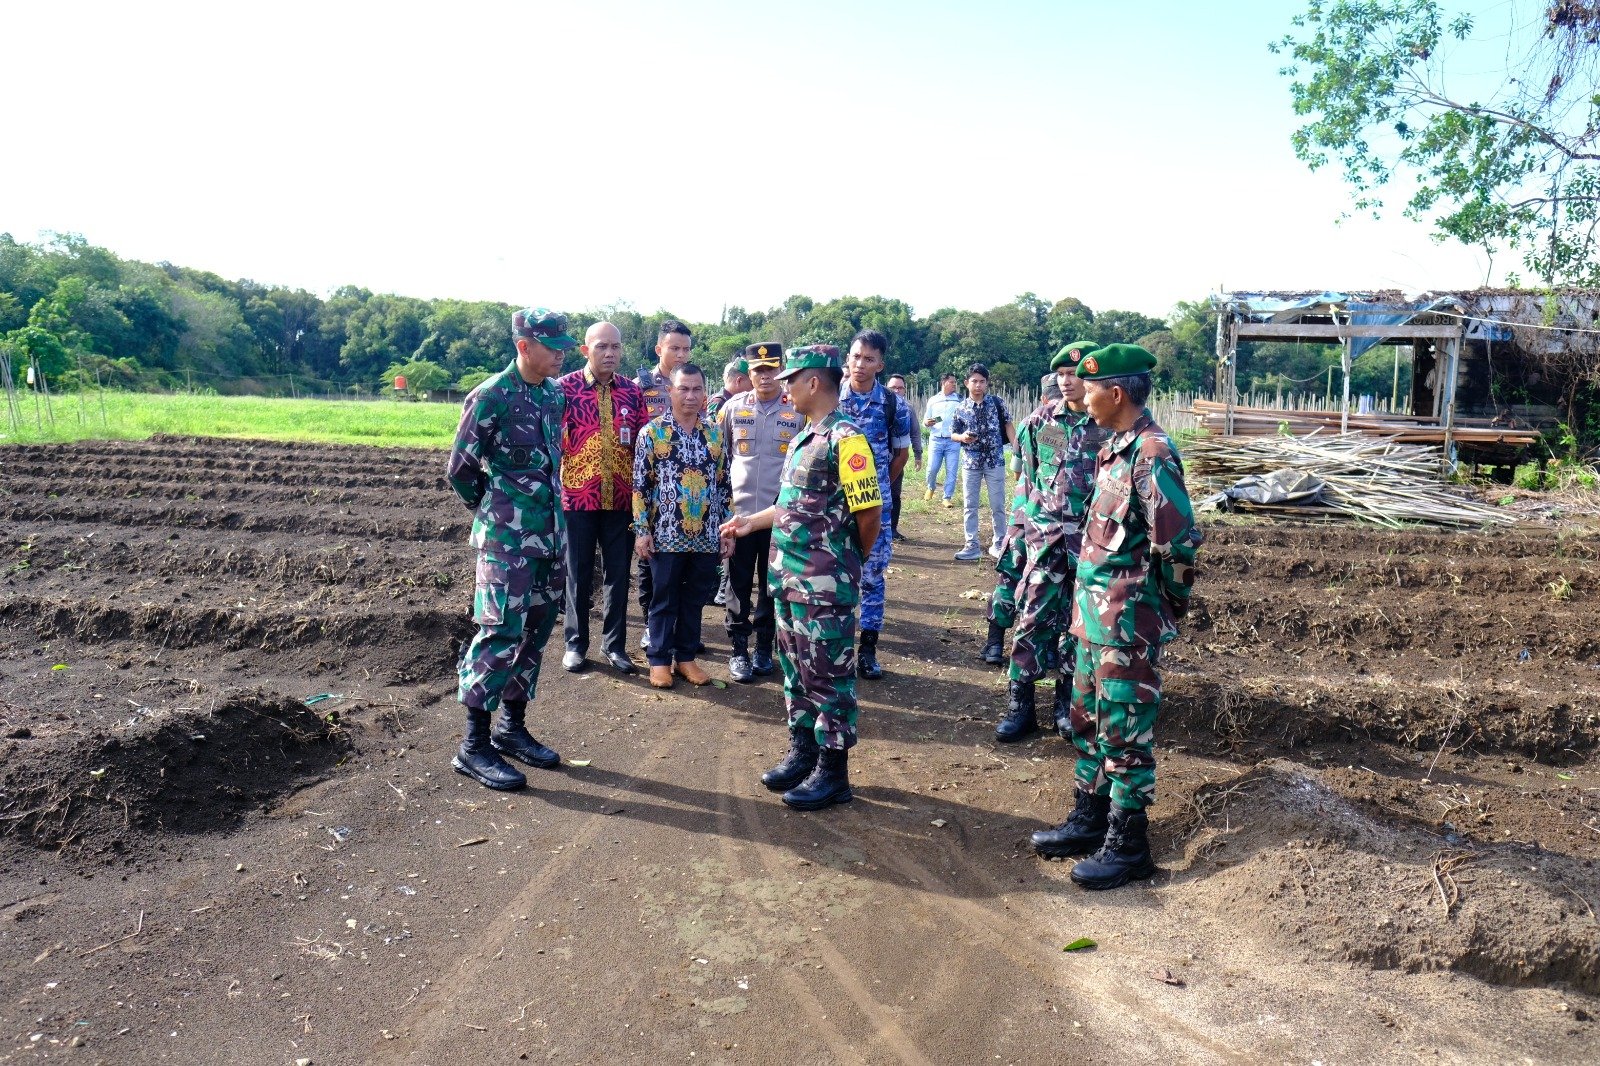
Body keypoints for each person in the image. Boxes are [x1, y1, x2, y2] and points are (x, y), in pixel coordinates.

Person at [1029, 343, 1203, 891]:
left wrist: (1161, 607)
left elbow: (1177, 547)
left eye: (1092, 388)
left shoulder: (1152, 453)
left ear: (1117, 393)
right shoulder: (1114, 449)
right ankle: (1090, 816)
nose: (1080, 394)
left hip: (1127, 624)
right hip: (1092, 621)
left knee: (1124, 732)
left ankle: (1129, 844)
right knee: (1087, 720)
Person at [719, 345, 882, 811]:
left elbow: (868, 513)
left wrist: (845, 563)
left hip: (825, 585)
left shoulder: (846, 440)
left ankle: (833, 772)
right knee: (796, 671)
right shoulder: (807, 437)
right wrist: (750, 522)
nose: (784, 386)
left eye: (792, 379)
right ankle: (803, 751)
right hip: (789, 580)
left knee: (828, 676)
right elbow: (793, 506)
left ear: (814, 383)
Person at [445, 307, 575, 791]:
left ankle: (511, 728)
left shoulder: (552, 394)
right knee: (500, 631)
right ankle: (473, 745)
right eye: (553, 345)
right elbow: (460, 468)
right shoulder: (490, 396)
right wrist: (495, 511)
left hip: (549, 538)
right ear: (525, 346)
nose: (561, 353)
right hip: (507, 543)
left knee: (536, 632)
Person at [994, 345, 1105, 743]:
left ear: (1092, 377)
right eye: (1060, 373)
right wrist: (1022, 531)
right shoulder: (1042, 421)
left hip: (1091, 547)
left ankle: (1065, 706)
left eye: (1074, 373)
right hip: (1046, 542)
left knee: (1076, 628)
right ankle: (1019, 706)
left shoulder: (1108, 425)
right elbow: (1030, 479)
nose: (1065, 380)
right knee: (1031, 620)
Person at [632, 362, 734, 689]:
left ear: (705, 393)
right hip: (665, 534)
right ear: (670, 391)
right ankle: (659, 660)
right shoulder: (652, 433)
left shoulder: (715, 434)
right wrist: (641, 531)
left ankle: (686, 657)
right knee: (664, 598)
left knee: (694, 600)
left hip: (706, 535)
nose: (690, 396)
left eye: (696, 389)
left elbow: (723, 485)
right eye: (683, 389)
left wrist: (727, 529)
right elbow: (640, 487)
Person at [557, 321, 649, 676]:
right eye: (601, 347)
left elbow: (642, 448)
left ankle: (614, 645)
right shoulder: (563, 390)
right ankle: (575, 645)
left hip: (622, 501)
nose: (609, 353)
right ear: (586, 350)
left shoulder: (632, 392)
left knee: (618, 575)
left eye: (615, 347)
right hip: (577, 500)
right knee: (578, 574)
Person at [717, 342, 802, 683]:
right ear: (748, 374)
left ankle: (764, 647)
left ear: (780, 370)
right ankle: (738, 649)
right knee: (737, 585)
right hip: (740, 517)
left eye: (771, 370)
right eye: (757, 371)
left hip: (777, 516)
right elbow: (721, 460)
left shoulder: (796, 410)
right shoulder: (733, 408)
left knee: (771, 586)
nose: (764, 377)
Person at [979, 367, 1074, 668]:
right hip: (1049, 521)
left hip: (1024, 513)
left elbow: (1018, 471)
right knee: (1049, 587)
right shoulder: (1057, 425)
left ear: (1043, 395)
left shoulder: (1030, 423)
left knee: (1010, 577)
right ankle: (1044, 650)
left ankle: (995, 643)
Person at [838, 329, 911, 680]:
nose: (860, 365)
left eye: (869, 359)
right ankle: (835, 645)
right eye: (856, 357)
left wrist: (878, 487)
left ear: (880, 364)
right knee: (832, 574)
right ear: (847, 359)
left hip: (874, 506)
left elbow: (901, 454)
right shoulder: (829, 398)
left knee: (872, 577)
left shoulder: (893, 404)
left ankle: (867, 648)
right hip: (835, 506)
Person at [633, 321, 695, 643]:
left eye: (686, 348)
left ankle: (683, 628)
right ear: (660, 349)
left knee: (685, 566)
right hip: (650, 486)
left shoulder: (693, 383)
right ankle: (650, 625)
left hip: (686, 491)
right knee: (649, 562)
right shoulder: (640, 387)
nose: (682, 354)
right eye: (675, 348)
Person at [951, 364, 1015, 561]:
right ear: (966, 383)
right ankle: (971, 545)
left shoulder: (997, 403)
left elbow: (1009, 426)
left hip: (995, 460)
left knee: (997, 504)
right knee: (970, 505)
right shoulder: (960, 408)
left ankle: (999, 543)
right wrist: (963, 437)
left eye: (982, 381)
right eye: (974, 381)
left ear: (987, 383)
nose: (978, 385)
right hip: (971, 462)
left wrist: (1017, 452)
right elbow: (953, 433)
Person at [884, 374, 921, 542]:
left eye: (900, 387)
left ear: (905, 390)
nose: (897, 390)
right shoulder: (879, 405)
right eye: (893, 387)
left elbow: (915, 432)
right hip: (877, 457)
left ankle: (892, 529)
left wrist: (918, 454)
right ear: (887, 388)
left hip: (897, 457)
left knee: (894, 493)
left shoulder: (908, 408)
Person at [922, 374, 962, 507]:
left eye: (955, 382)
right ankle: (931, 487)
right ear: (943, 383)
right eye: (951, 382)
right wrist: (927, 422)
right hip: (936, 439)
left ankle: (947, 497)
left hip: (953, 441)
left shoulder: (959, 400)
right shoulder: (933, 400)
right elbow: (925, 420)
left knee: (952, 470)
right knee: (932, 469)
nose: (954, 385)